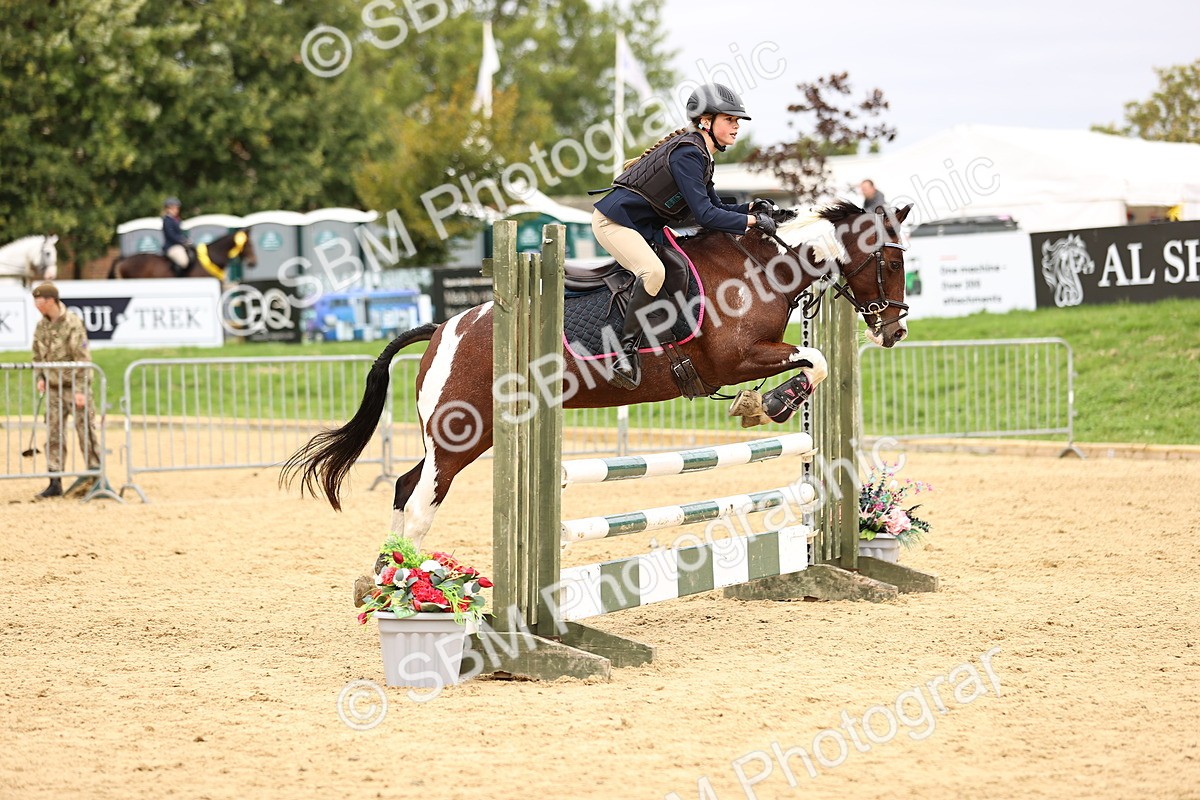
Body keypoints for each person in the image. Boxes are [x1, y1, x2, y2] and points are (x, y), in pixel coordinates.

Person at [592, 82, 777, 389]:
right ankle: (622, 354)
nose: (736, 127)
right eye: (729, 119)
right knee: (652, 272)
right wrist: (751, 221)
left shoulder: (701, 153)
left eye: (737, 121)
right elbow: (705, 216)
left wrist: (753, 207)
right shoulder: (688, 154)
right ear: (706, 120)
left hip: (641, 225)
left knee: (678, 267)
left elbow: (713, 206)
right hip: (614, 223)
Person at [31, 282, 101, 499]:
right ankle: (55, 480)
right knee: (54, 433)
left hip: (74, 388)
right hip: (53, 389)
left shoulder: (72, 323)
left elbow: (82, 359)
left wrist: (80, 389)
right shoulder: (41, 327)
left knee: (85, 432)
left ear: (50, 300)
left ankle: (95, 476)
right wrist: (40, 377)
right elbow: (36, 355)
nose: (36, 304)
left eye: (39, 300)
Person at [161, 196, 191, 275]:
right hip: (172, 246)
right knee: (184, 261)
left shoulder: (176, 220)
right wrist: (182, 240)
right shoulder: (167, 220)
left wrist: (186, 240)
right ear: (168, 209)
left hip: (179, 245)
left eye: (177, 208)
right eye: (174, 208)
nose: (176, 210)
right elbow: (171, 235)